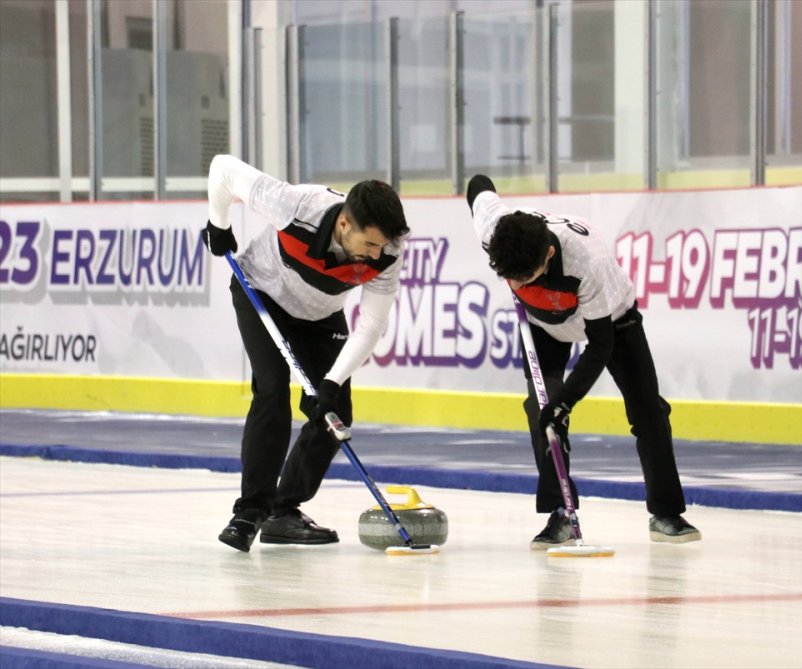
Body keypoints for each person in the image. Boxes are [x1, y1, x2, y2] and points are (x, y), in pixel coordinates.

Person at [465, 174, 700, 549]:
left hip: (613, 322)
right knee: (540, 411)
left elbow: (600, 345)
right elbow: (478, 185)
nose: (519, 286)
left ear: (549, 256)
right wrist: (553, 407)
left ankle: (666, 512)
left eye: (527, 278)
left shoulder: (588, 260)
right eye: (512, 281)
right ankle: (560, 514)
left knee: (648, 411)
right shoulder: (496, 231)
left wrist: (566, 401)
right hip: (544, 325)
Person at [201, 154, 409, 552]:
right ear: (344, 224)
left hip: (321, 315)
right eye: (368, 244)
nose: (373, 254)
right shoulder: (295, 206)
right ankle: (250, 511)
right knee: (272, 392)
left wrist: (331, 383)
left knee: (335, 415)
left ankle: (284, 511)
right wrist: (219, 223)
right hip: (262, 293)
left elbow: (372, 325)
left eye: (380, 246)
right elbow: (223, 169)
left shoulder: (388, 250)